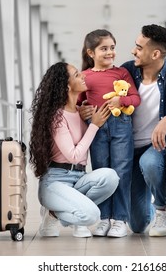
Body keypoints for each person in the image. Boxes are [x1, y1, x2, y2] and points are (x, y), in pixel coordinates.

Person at [80, 24, 166, 237]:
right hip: (127, 147)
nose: (133, 51)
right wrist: (85, 109)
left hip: (156, 146)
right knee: (138, 225)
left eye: (139, 48)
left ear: (155, 53)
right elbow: (94, 93)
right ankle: (145, 205)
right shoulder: (127, 70)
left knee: (149, 163)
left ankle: (161, 210)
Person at [29, 61, 119, 238]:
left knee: (111, 177)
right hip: (55, 182)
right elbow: (73, 156)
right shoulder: (57, 116)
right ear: (66, 86)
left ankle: (55, 213)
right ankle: (54, 212)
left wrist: (88, 118)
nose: (83, 75)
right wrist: (94, 125)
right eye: (77, 75)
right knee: (92, 215)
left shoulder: (80, 111)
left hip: (79, 177)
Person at [78, 29, 141, 238]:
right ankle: (104, 218)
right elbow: (76, 103)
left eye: (112, 48)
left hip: (121, 124)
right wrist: (82, 110)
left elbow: (135, 98)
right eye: (103, 48)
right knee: (102, 171)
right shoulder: (84, 77)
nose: (110, 52)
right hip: (96, 127)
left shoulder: (121, 73)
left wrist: (120, 101)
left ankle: (120, 220)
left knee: (122, 171)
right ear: (91, 53)